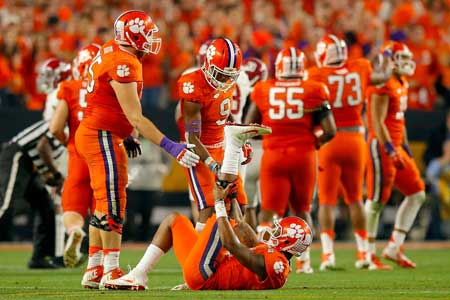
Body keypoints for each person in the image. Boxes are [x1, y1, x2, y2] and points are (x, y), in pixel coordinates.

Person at [104, 124, 312, 291]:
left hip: (204, 273)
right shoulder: (271, 255)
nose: (274, 230)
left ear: (287, 242)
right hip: (204, 268)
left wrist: (220, 203)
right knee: (173, 221)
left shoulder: (277, 265)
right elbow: (240, 228)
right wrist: (230, 196)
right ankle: (138, 275)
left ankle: (233, 146)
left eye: (279, 231)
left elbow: (233, 245)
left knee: (219, 218)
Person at [75, 10, 200, 289]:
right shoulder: (123, 62)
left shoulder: (113, 49)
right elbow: (136, 117)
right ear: (131, 36)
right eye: (146, 32)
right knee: (113, 203)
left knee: (103, 201)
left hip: (100, 132)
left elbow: (114, 103)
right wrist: (172, 147)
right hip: (101, 134)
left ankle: (94, 268)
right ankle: (111, 270)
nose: (152, 38)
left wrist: (127, 132)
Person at [245, 47, 336, 274]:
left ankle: (264, 258)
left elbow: (250, 125)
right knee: (302, 210)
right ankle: (304, 263)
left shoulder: (265, 89)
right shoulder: (314, 89)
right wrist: (314, 142)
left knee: (268, 213)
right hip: (304, 155)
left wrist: (273, 133)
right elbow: (330, 130)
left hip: (273, 155)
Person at [307, 34, 390, 271]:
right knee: (355, 197)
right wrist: (384, 60)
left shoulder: (316, 74)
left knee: (327, 201)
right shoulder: (361, 67)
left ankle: (327, 255)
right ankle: (364, 252)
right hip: (355, 139)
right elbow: (382, 77)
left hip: (329, 139)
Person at [179, 38, 264, 232]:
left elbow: (226, 115)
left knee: (240, 202)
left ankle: (231, 254)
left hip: (222, 147)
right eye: (221, 75)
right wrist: (211, 164)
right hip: (199, 152)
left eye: (229, 75)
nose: (225, 80)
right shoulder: (193, 84)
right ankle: (198, 254)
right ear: (208, 65)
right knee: (208, 208)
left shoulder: (228, 81)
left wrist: (241, 140)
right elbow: (192, 137)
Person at [365, 41, 426, 270]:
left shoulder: (402, 82)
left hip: (396, 145)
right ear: (390, 60)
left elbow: (399, 120)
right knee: (377, 200)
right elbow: (377, 121)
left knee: (417, 193)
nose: (407, 62)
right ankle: (368, 253)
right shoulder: (382, 83)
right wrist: (390, 149)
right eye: (401, 58)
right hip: (382, 145)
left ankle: (394, 246)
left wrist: (405, 148)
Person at [49, 43, 101, 268]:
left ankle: (75, 231)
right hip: (103, 154)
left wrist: (68, 141)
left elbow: (55, 127)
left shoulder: (69, 87)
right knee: (102, 209)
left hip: (78, 153)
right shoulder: (108, 86)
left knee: (72, 206)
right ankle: (99, 259)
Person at [0, 120, 65, 268]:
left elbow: (40, 151)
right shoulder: (64, 124)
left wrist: (47, 173)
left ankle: (39, 257)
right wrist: (54, 173)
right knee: (6, 204)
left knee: (46, 206)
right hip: (17, 154)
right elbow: (42, 146)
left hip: (30, 164)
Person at [239, 57, 269, 230]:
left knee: (247, 208)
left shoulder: (237, 91)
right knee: (270, 209)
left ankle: (250, 249)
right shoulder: (268, 92)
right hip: (268, 150)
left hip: (246, 150)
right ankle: (270, 249)